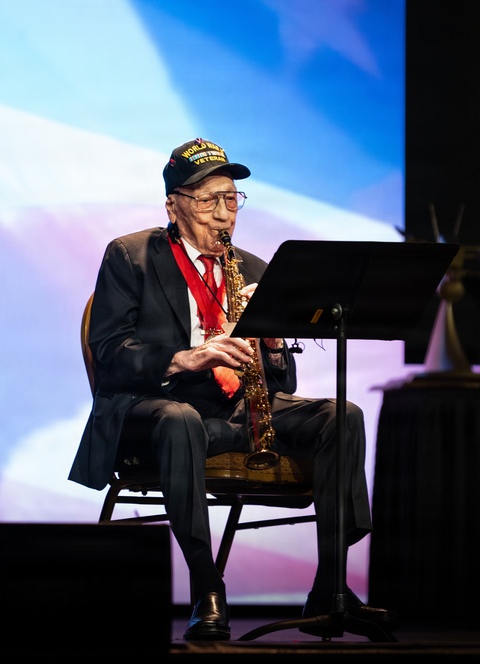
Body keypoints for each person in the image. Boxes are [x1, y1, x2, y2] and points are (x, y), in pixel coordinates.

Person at [68, 138, 395, 641]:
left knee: (342, 416)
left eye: (231, 199)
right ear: (173, 205)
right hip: (157, 408)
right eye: (207, 200)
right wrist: (187, 356)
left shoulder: (255, 268)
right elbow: (110, 353)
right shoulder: (130, 255)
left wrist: (275, 340)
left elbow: (282, 382)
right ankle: (207, 588)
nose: (223, 214)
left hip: (237, 412)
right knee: (179, 421)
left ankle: (331, 589)